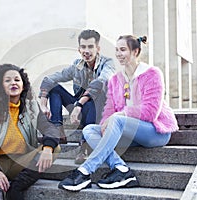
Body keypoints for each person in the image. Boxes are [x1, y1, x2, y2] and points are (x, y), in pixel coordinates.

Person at [58, 35, 179, 191]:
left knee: (117, 120)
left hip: (154, 131)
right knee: (89, 130)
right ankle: (122, 169)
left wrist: (118, 116)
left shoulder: (152, 74)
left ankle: (85, 170)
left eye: (123, 50)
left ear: (136, 51)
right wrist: (104, 126)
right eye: (116, 50)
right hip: (128, 133)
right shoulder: (115, 79)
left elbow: (150, 113)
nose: (118, 54)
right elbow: (110, 109)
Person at [0, 64, 61, 200]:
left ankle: (16, 188)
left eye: (17, 79)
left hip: (22, 161)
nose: (13, 83)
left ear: (23, 85)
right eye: (7, 80)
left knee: (55, 148)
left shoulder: (32, 108)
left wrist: (48, 148)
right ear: (0, 86)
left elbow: (50, 129)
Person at [39, 29, 116, 164]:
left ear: (98, 48)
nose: (86, 50)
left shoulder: (107, 63)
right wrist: (43, 105)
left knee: (96, 94)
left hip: (98, 112)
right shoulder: (76, 66)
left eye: (90, 47)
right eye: (83, 47)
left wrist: (79, 104)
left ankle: (85, 145)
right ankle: (57, 131)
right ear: (79, 49)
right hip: (79, 110)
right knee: (54, 88)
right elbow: (48, 80)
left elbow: (100, 82)